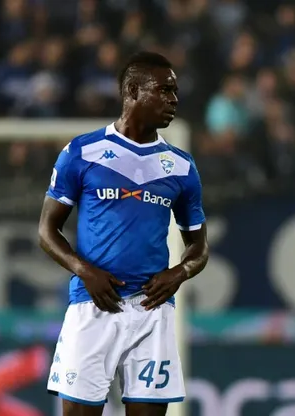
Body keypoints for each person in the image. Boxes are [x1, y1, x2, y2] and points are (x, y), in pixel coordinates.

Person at [38, 51, 209, 416]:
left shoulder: (181, 166)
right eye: (163, 90)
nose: (173, 100)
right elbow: (47, 231)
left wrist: (178, 274)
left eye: (175, 91)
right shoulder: (82, 152)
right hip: (93, 304)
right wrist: (85, 272)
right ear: (133, 90)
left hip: (152, 309)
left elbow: (199, 246)